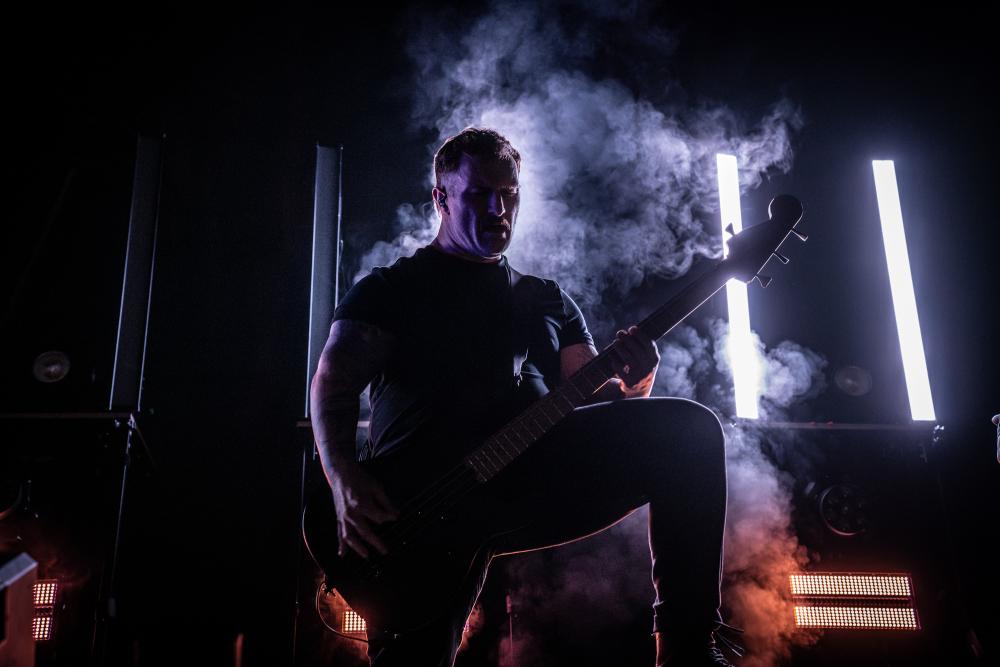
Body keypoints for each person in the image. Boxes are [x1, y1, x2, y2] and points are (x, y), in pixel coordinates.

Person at [310, 127, 738, 666]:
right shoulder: (391, 289)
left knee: (689, 433)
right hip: (419, 511)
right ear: (441, 198)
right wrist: (343, 479)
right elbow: (333, 385)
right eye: (479, 194)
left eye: (509, 194)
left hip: (529, 480)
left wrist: (636, 382)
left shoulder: (546, 300)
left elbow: (595, 403)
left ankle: (688, 649)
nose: (498, 209)